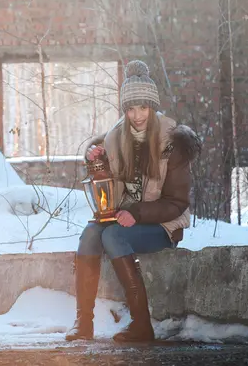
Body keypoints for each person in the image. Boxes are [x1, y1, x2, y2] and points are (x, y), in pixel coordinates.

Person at [65, 60, 201, 343]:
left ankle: (142, 325)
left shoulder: (172, 142)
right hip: (125, 218)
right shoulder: (115, 138)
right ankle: (84, 323)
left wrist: (136, 213)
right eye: (130, 108)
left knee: (114, 236)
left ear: (152, 107)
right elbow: (111, 192)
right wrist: (98, 165)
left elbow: (177, 203)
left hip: (162, 224)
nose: (137, 115)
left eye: (143, 107)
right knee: (91, 234)